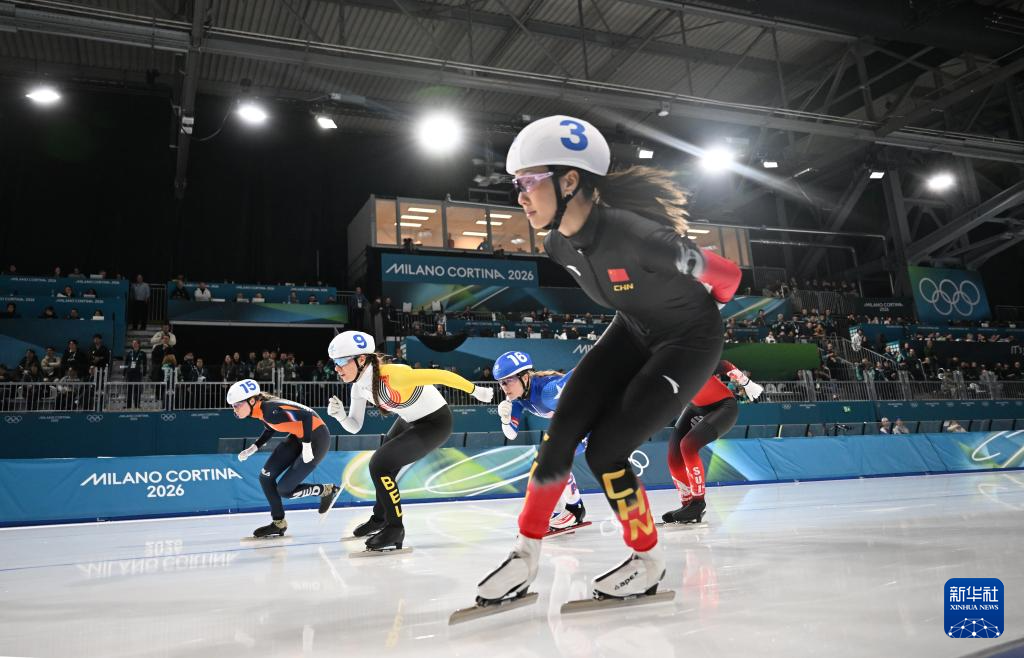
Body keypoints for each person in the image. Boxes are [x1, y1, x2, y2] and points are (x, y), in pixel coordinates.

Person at [473, 115, 740, 612]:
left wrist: (710, 308)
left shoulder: (641, 237)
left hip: (689, 340)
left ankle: (648, 561)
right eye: (517, 184)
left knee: (605, 452)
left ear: (569, 181)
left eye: (528, 182)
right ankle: (524, 555)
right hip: (633, 328)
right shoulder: (556, 243)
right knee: (559, 435)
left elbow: (729, 275)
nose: (520, 196)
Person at [325, 330, 494, 552]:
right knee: (384, 463)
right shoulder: (358, 387)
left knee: (379, 464)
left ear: (362, 359)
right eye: (334, 363)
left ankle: (395, 528)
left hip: (435, 423)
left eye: (340, 362)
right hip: (409, 419)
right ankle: (379, 519)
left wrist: (476, 391)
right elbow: (355, 426)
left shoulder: (395, 375)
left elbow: (442, 376)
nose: (336, 369)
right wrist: (340, 417)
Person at [229, 379, 341, 538]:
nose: (235, 409)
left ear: (251, 401)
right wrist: (254, 447)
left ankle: (327, 490)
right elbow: (270, 427)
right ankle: (278, 523)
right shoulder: (261, 410)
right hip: (298, 436)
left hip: (317, 439)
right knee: (265, 477)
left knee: (284, 490)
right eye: (233, 406)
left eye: (237, 405)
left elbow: (307, 416)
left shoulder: (270, 410)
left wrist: (307, 445)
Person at [491, 350, 587, 533]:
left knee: (553, 460)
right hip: (572, 425)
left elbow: (585, 369)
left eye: (508, 381)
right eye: (501, 382)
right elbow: (511, 434)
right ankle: (561, 509)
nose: (504, 387)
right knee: (546, 461)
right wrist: (504, 418)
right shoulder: (517, 398)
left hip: (593, 422)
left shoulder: (547, 392)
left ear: (525, 377)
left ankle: (575, 510)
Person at [662, 361, 763, 524]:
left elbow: (723, 365)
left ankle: (697, 503)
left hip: (724, 408)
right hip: (696, 407)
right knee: (674, 453)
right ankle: (687, 505)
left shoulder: (685, 360)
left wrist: (746, 383)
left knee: (688, 445)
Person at [124, 339, 147, 409]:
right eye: (133, 343)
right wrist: (124, 373)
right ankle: (128, 406)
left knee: (137, 390)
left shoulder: (142, 353)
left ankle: (137, 405)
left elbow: (145, 364)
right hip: (130, 373)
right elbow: (126, 363)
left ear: (139, 344)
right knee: (129, 389)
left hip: (138, 373)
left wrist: (144, 373)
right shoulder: (129, 353)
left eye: (135, 343)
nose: (134, 344)